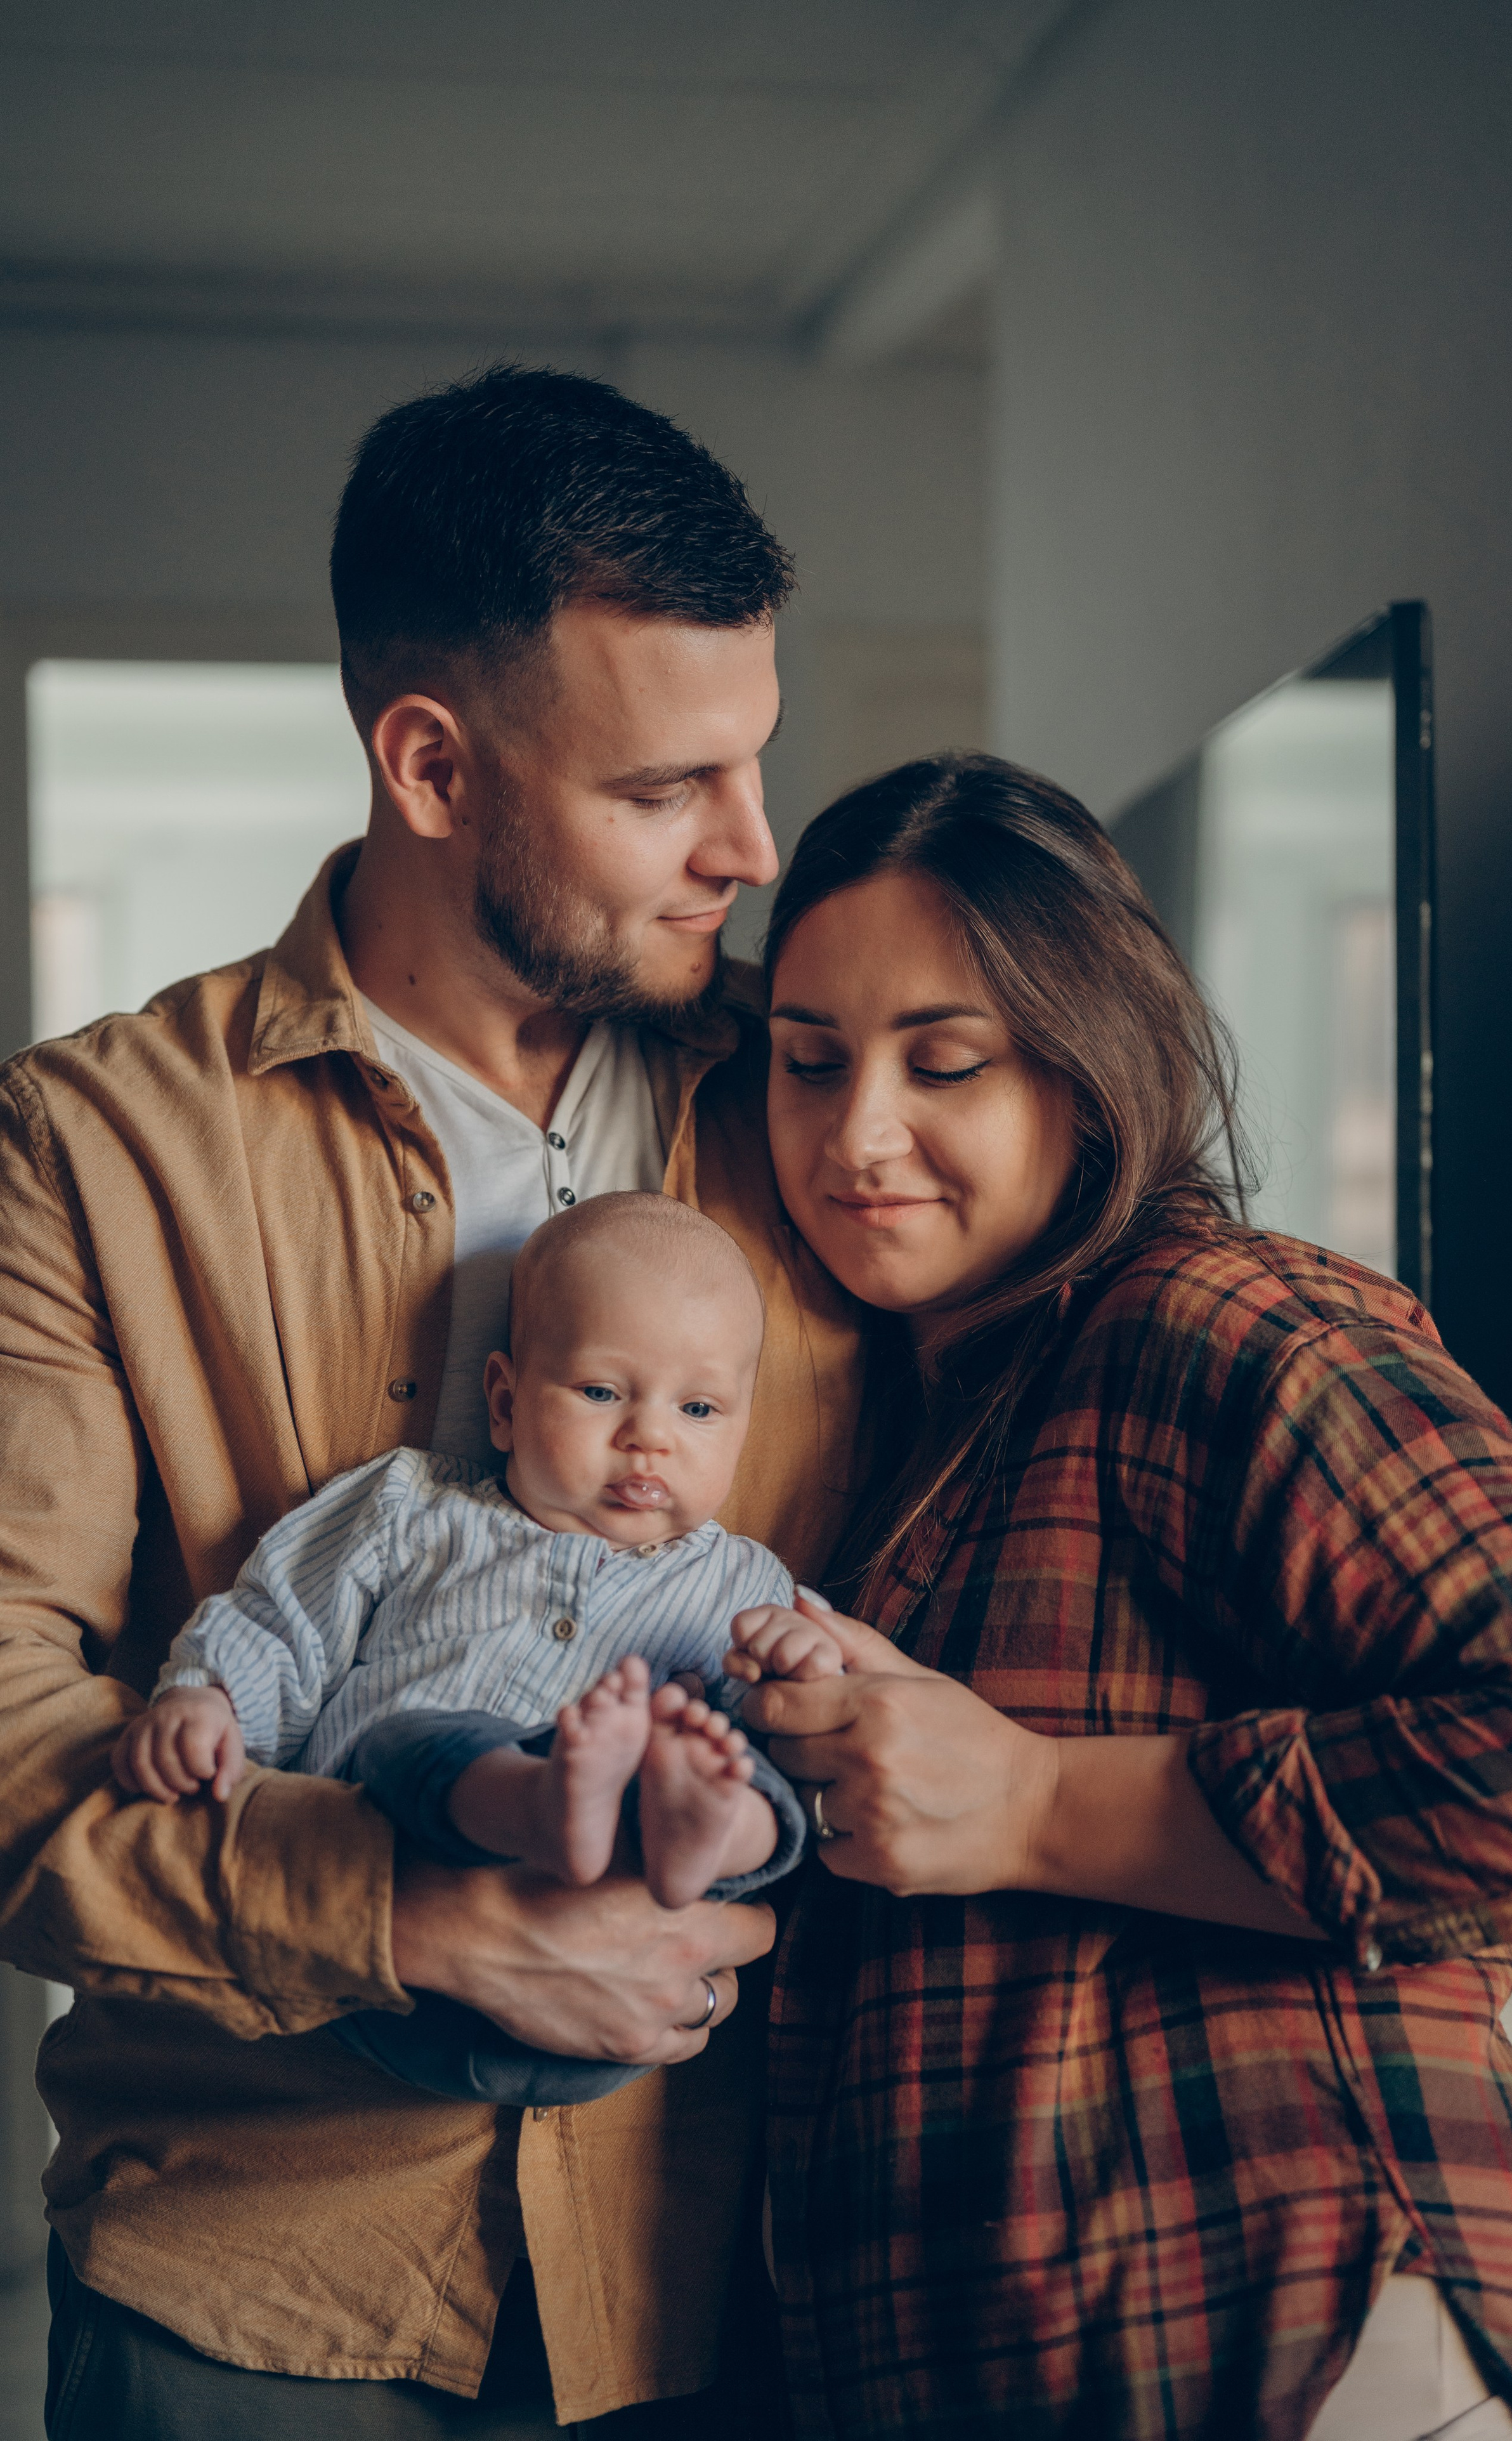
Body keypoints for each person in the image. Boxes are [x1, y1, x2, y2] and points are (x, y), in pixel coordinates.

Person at [0, 364, 866, 2436]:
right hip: (267, 2272)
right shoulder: (89, 1141)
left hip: (756, 2262)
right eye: (669, 787)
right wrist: (406, 1906)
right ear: (430, 760)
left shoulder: (838, 1106)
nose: (752, 844)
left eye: (751, 762)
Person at [736, 752, 1512, 2441]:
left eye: (944, 1063)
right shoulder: (914, 1429)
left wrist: (1048, 1805)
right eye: (806, 1063)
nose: (856, 1134)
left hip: (1309, 2369)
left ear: (1086, 1074)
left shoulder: (1224, 1322)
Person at [108, 1194, 831, 2107]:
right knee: (414, 1742)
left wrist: (801, 1664)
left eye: (699, 1407)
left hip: (615, 2002)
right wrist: (208, 1697)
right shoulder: (412, 1508)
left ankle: (696, 1831)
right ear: (504, 1401)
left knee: (750, 1772)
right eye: (601, 1392)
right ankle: (538, 1798)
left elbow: (802, 1720)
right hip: (389, 1944)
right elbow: (281, 1617)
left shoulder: (743, 1584)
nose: (649, 1435)